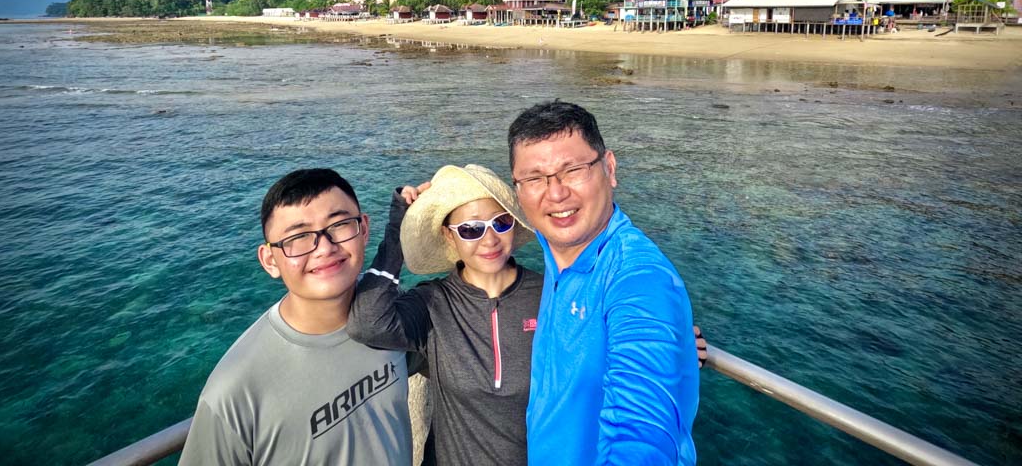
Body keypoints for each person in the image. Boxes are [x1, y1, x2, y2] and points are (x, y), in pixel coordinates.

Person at [179, 168, 413, 466]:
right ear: (269, 261)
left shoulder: (392, 318)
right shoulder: (234, 390)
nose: (325, 248)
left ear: (364, 229)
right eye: (299, 237)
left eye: (340, 224)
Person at [509, 100, 699, 465]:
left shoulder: (639, 278)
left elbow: (642, 430)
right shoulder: (560, 256)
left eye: (574, 169)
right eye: (534, 178)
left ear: (609, 168)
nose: (556, 193)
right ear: (518, 191)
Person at [348, 164, 540, 466]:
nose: (489, 240)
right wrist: (397, 230)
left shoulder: (546, 294)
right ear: (449, 237)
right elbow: (367, 322)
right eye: (471, 229)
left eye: (500, 223)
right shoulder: (433, 303)